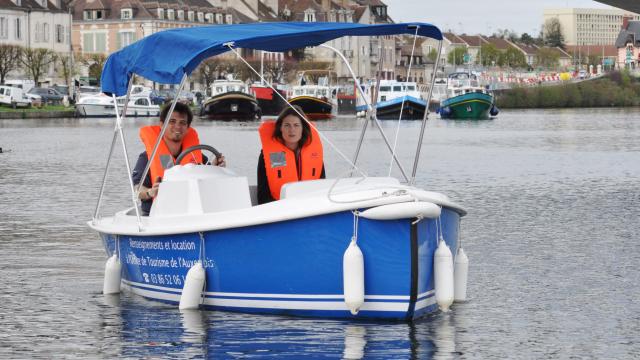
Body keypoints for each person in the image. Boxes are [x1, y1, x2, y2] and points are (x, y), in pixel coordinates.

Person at [132, 102, 226, 215]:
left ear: (187, 128)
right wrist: (149, 192)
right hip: (156, 216)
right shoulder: (147, 158)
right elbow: (137, 190)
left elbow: (206, 179)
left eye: (182, 123)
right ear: (162, 125)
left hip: (190, 213)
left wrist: (215, 168)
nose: (177, 126)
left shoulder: (195, 156)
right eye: (172, 121)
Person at [257, 105, 325, 204]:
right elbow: (263, 195)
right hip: (278, 210)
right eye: (287, 125)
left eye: (296, 125)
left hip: (310, 208)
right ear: (280, 128)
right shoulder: (267, 155)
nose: (292, 130)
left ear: (303, 128)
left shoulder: (314, 154)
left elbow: (322, 188)